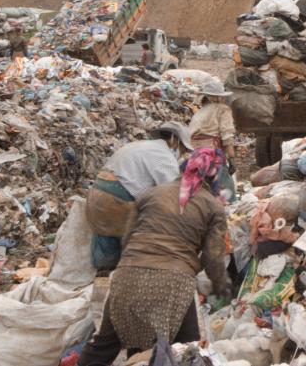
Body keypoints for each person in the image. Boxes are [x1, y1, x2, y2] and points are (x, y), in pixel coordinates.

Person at [78, 146, 231, 365]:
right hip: (174, 281)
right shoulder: (213, 207)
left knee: (103, 345)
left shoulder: (150, 194)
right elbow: (213, 256)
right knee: (186, 350)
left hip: (127, 276)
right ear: (215, 176)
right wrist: (221, 285)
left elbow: (127, 239)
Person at [87, 122, 192, 271]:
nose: (181, 153)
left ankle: (102, 275)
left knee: (105, 240)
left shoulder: (139, 146)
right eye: (183, 149)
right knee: (133, 244)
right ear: (175, 140)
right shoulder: (163, 155)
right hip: (117, 199)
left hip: (97, 194)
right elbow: (172, 192)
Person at [188, 79, 237, 199]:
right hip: (213, 154)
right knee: (227, 188)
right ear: (217, 97)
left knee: (204, 188)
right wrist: (231, 159)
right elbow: (227, 135)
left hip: (195, 155)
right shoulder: (223, 109)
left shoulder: (199, 113)